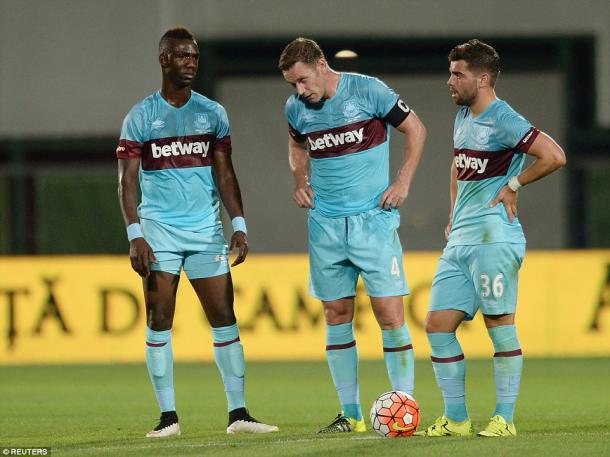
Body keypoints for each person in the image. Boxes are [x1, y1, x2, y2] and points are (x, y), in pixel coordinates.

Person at [116, 26, 278, 438]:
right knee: (159, 318)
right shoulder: (140, 117)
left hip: (206, 232)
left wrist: (238, 224)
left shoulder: (212, 113)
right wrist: (136, 233)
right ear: (163, 59)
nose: (190, 63)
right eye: (182, 56)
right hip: (159, 234)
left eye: (194, 57)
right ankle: (168, 417)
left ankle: (238, 413)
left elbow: (225, 173)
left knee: (225, 317)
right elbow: (126, 182)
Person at [415, 39, 566, 438]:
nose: (449, 80)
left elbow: (553, 155)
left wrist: (514, 183)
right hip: (462, 239)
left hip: (494, 237)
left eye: (457, 73)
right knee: (437, 325)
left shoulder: (503, 118)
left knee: (499, 325)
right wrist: (453, 215)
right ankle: (458, 420)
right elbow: (458, 165)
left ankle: (504, 419)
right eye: (450, 71)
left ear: (482, 78)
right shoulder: (463, 115)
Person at [278, 38, 427, 433]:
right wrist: (299, 179)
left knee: (390, 315)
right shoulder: (296, 109)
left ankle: (406, 408)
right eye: (293, 84)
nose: (300, 91)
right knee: (335, 314)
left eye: (304, 80)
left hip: (372, 222)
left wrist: (403, 183)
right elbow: (296, 146)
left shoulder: (368, 90)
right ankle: (352, 415)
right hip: (325, 226)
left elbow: (416, 130)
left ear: (322, 64)